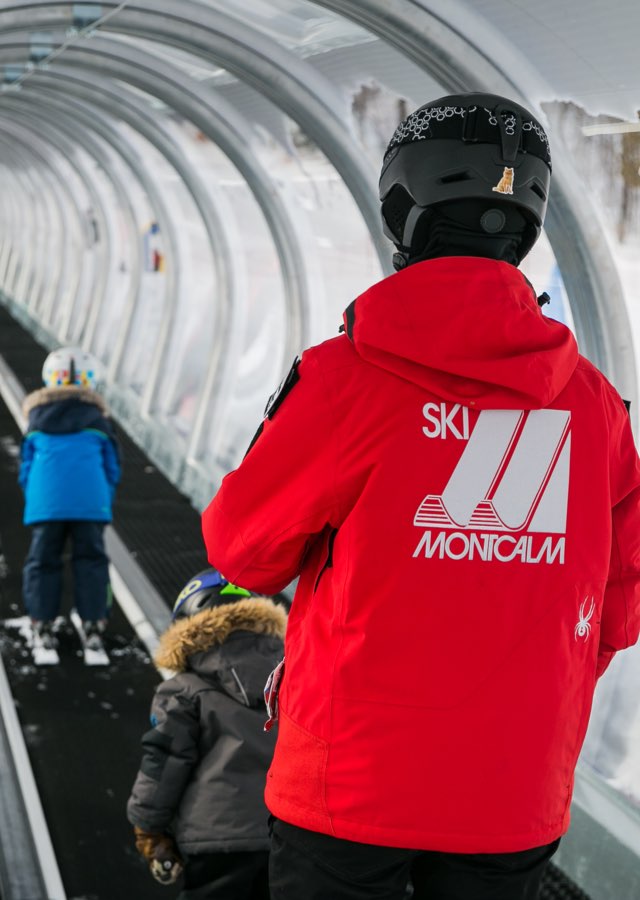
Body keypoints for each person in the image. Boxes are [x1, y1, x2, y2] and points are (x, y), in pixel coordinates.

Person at [201, 93, 640, 900]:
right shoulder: (594, 406)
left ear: (402, 211)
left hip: (348, 783)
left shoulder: (343, 379)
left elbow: (243, 551)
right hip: (514, 789)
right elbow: (616, 609)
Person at [127, 568, 287, 900]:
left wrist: (147, 826)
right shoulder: (293, 681)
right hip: (288, 836)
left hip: (215, 838)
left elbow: (164, 762)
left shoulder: (183, 690)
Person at [19, 346, 120, 657]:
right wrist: (102, 500)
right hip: (90, 505)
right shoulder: (98, 420)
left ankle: (42, 623)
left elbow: (26, 468)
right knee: (91, 560)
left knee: (43, 561)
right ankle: (93, 623)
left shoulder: (37, 420)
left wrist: (37, 500)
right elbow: (112, 467)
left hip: (46, 505)